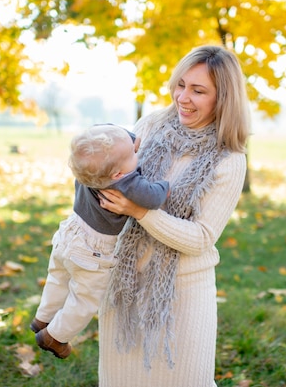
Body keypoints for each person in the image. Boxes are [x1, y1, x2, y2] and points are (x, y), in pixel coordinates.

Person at [96, 45, 250, 386]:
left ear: (223, 98)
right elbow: (113, 172)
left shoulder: (229, 159)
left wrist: (140, 211)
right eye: (180, 85)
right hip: (125, 281)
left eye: (198, 91)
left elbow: (201, 238)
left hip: (184, 291)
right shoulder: (151, 125)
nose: (183, 97)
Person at [30, 124, 170, 359]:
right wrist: (165, 188)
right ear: (117, 173)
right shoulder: (126, 183)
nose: (137, 153)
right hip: (93, 250)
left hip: (69, 233)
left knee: (58, 277)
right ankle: (55, 336)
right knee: (83, 299)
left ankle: (42, 317)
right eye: (133, 154)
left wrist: (128, 144)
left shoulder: (88, 171)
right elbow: (154, 197)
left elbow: (112, 143)